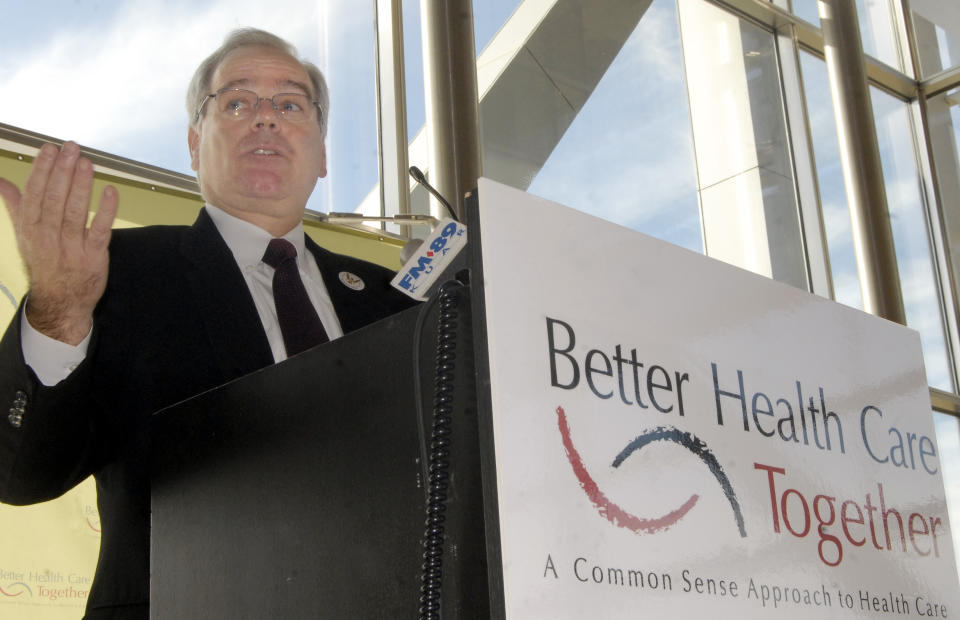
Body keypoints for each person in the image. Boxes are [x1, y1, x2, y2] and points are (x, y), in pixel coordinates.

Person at [0, 28, 416, 619]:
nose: (266, 119)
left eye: (291, 104)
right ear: (196, 146)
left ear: (323, 154)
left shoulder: (397, 300)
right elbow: (20, 475)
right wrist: (60, 313)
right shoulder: (111, 274)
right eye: (238, 102)